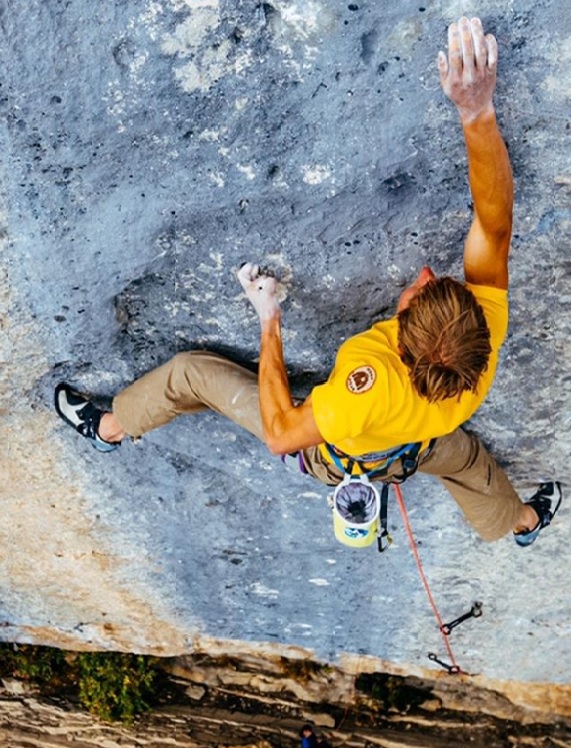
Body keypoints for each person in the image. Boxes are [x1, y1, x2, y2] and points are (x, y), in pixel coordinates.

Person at [55, 17, 561, 547]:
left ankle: (108, 429)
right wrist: (477, 113)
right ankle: (520, 524)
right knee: (469, 460)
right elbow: (495, 219)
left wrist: (269, 319)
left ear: (403, 342)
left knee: (190, 373)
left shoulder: (364, 387)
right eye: (437, 286)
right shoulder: (484, 333)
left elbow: (281, 434)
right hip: (420, 444)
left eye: (418, 293)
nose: (424, 274)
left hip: (340, 454)